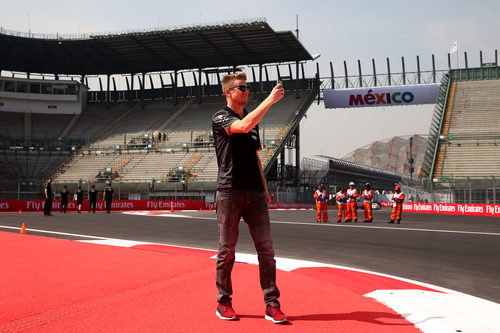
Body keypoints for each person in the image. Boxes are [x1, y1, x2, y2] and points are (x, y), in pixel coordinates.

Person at [212, 72, 288, 324]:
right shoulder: (220, 117)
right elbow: (241, 127)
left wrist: (265, 191)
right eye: (240, 88)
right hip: (229, 192)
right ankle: (223, 302)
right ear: (228, 92)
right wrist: (269, 100)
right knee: (227, 251)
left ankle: (272, 304)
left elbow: (256, 158)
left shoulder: (254, 121)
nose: (246, 91)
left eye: (247, 88)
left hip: (255, 194)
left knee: (267, 250)